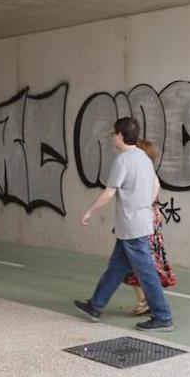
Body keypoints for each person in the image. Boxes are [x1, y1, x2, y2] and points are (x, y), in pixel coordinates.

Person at [74, 117, 174, 332]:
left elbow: (109, 193)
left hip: (131, 225)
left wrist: (89, 211)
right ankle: (95, 306)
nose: (113, 136)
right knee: (117, 266)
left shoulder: (123, 160)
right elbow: (156, 184)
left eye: (114, 133)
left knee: (146, 272)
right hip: (136, 222)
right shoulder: (143, 158)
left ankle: (163, 316)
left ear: (120, 135)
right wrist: (145, 204)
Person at [123, 141, 178, 316]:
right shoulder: (148, 173)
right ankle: (145, 300)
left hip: (142, 222)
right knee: (137, 264)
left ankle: (148, 302)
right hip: (148, 220)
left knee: (139, 264)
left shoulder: (142, 174)